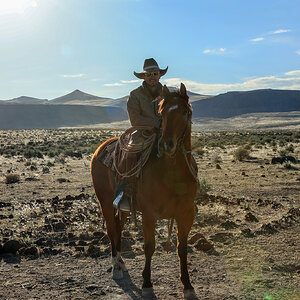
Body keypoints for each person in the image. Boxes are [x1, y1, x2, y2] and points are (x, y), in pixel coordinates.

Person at [113, 58, 168, 212]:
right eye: (149, 74)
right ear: (144, 76)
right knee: (130, 152)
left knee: (183, 149)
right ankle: (127, 191)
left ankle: (190, 188)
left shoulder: (167, 93)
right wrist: (157, 123)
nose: (152, 77)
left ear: (159, 75)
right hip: (143, 132)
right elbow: (135, 119)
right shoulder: (135, 95)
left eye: (155, 73)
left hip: (165, 131)